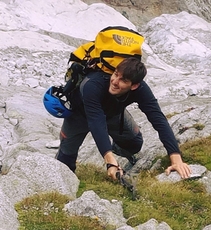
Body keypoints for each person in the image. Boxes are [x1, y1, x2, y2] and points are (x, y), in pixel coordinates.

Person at [55, 57, 192, 180]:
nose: (115, 81)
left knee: (134, 144)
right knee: (65, 158)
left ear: (134, 86)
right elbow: (96, 122)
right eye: (115, 74)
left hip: (113, 114)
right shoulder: (92, 85)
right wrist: (109, 161)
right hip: (79, 115)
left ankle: (115, 151)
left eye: (123, 80)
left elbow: (159, 120)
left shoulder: (141, 90)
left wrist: (176, 159)